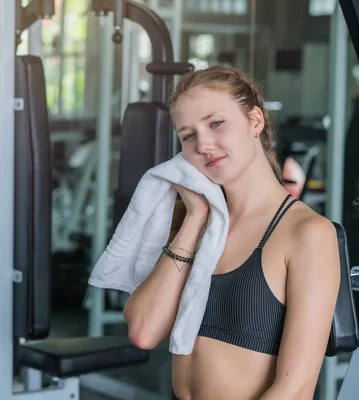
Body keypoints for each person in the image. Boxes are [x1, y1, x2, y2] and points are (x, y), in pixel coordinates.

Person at [122, 65, 340, 400]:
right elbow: (143, 332)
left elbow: (294, 389)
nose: (204, 144)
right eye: (188, 135)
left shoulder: (307, 233)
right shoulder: (197, 226)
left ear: (255, 121)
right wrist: (195, 218)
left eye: (216, 123)